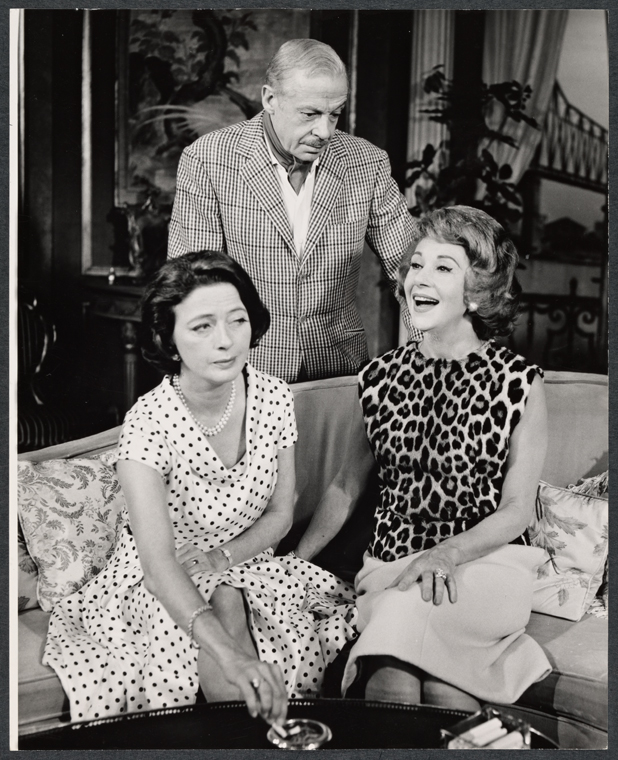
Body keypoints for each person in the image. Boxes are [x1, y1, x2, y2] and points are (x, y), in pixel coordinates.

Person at [43, 251, 356, 725]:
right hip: (163, 576)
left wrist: (223, 559)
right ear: (167, 339)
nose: (226, 341)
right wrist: (228, 650)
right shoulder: (147, 426)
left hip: (247, 560)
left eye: (237, 320)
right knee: (221, 618)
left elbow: (280, 514)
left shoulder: (273, 397)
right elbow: (159, 565)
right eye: (202, 326)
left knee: (236, 599)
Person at [294, 206, 552, 708]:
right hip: (391, 565)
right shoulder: (378, 378)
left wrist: (448, 553)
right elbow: (347, 486)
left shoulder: (519, 382)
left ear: (477, 293)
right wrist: (298, 565)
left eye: (443, 267)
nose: (420, 278)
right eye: (416, 264)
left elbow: (517, 510)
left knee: (394, 658)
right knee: (437, 687)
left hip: (486, 564)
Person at [168, 38, 419, 384]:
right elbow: (190, 286)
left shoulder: (366, 162)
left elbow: (413, 271)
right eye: (310, 114)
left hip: (338, 372)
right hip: (244, 371)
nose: (325, 131)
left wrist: (429, 365)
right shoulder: (208, 160)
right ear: (270, 99)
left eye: (335, 114)